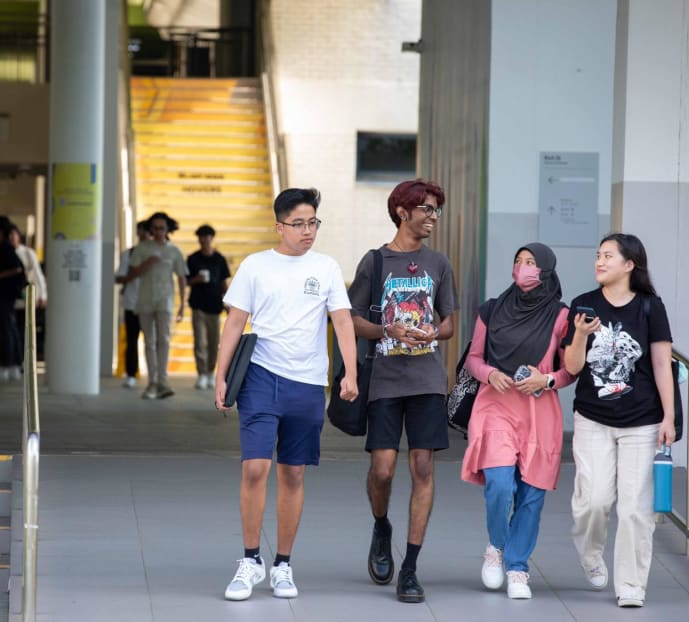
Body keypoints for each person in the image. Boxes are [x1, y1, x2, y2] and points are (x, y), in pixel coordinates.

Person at [215, 188, 358, 602]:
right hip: (261, 377)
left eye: (313, 222)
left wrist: (348, 371)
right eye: (299, 223)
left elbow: (343, 323)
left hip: (308, 383)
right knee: (255, 468)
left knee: (293, 473)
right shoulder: (256, 266)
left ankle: (282, 564)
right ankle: (248, 560)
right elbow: (234, 323)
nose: (308, 230)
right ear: (279, 226)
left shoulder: (327, 267)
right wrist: (220, 375)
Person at [347, 179, 457, 603]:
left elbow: (449, 321)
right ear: (402, 212)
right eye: (426, 209)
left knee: (423, 468)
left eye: (436, 211)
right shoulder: (376, 262)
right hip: (386, 378)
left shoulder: (439, 263)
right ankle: (381, 526)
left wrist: (435, 331)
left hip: (427, 378)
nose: (432, 217)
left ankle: (409, 567)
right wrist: (384, 330)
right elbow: (351, 318)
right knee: (383, 470)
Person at [562, 233, 675, 608]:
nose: (599, 261)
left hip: (642, 420)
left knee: (634, 510)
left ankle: (631, 585)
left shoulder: (650, 307)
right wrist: (579, 335)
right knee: (593, 502)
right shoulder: (583, 305)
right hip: (594, 417)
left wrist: (669, 418)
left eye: (607, 256)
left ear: (629, 265)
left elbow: (662, 365)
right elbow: (573, 367)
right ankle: (591, 554)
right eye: (598, 255)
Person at [460, 242, 575, 599]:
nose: (523, 268)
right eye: (518, 261)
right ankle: (496, 547)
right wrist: (489, 373)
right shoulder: (492, 310)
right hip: (495, 404)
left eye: (531, 263)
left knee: (532, 494)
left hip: (539, 410)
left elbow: (571, 370)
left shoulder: (561, 316)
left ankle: (517, 566)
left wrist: (548, 380)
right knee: (499, 482)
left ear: (546, 271)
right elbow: (473, 358)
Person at [127, 212, 187, 399]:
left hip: (165, 300)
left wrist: (183, 304)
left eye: (162, 228)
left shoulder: (174, 250)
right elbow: (132, 272)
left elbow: (182, 277)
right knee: (149, 341)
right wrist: (147, 263)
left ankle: (163, 380)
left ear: (168, 229)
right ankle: (152, 382)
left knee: (164, 339)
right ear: (150, 229)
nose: (158, 231)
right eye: (154, 228)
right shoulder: (142, 248)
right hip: (145, 299)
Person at [187, 224, 230, 390]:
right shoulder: (193, 259)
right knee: (199, 341)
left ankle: (211, 372)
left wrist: (227, 303)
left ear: (212, 238)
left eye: (207, 236)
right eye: (201, 236)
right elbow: (186, 280)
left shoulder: (219, 259)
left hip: (214, 305)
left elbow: (223, 283)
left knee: (214, 342)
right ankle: (201, 373)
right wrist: (196, 279)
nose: (204, 239)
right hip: (197, 305)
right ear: (198, 239)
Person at [0, 215, 26, 381]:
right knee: (8, 329)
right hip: (4, 295)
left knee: (5, 330)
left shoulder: (5, 247)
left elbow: (18, 269)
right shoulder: (4, 247)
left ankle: (6, 366)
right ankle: (12, 366)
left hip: (4, 295)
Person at [115, 220, 150, 388]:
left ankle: (155, 374)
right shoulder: (128, 254)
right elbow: (119, 278)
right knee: (131, 340)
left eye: (147, 232)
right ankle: (131, 373)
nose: (144, 235)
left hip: (152, 304)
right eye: (141, 232)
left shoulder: (159, 254)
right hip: (132, 303)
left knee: (153, 342)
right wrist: (136, 271)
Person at [8, 225, 47, 359]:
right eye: (9, 235)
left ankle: (25, 358)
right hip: (13, 296)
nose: (12, 238)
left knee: (25, 328)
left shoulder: (27, 252)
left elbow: (37, 273)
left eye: (14, 234)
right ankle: (16, 358)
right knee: (14, 329)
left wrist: (43, 294)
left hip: (28, 295)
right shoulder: (6, 253)